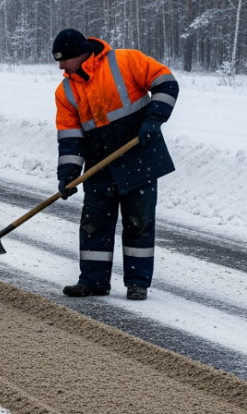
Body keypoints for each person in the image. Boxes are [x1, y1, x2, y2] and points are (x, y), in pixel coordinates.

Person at [51, 29, 179, 302]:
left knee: (138, 222)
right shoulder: (66, 91)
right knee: (93, 224)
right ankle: (92, 280)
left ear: (78, 54)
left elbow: (167, 83)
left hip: (138, 156)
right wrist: (68, 173)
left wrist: (154, 119)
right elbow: (70, 138)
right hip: (100, 165)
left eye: (62, 60)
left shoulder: (125, 61)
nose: (60, 66)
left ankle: (137, 282)